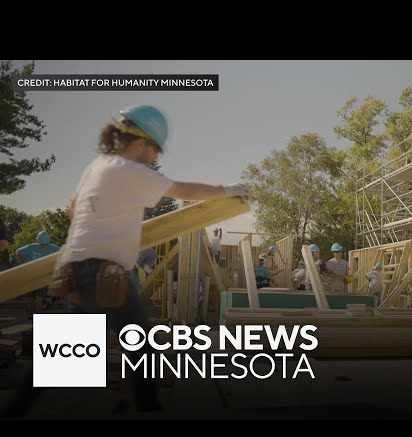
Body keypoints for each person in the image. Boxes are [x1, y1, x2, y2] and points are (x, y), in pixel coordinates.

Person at [2, 104, 250, 418]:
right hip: (104, 271)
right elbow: (182, 189)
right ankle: (148, 409)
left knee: (63, 356)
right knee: (141, 350)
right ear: (141, 141)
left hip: (76, 270)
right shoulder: (129, 170)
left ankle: (16, 410)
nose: (156, 157)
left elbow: (74, 210)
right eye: (155, 149)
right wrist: (226, 190)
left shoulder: (98, 167)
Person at [16, 231, 61, 317]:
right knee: (29, 299)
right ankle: (30, 317)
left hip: (42, 278)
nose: (42, 246)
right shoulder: (31, 247)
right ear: (38, 241)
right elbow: (18, 252)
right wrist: (23, 264)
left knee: (39, 298)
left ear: (48, 243)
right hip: (29, 277)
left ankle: (36, 317)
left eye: (45, 245)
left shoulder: (54, 249)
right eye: (41, 244)